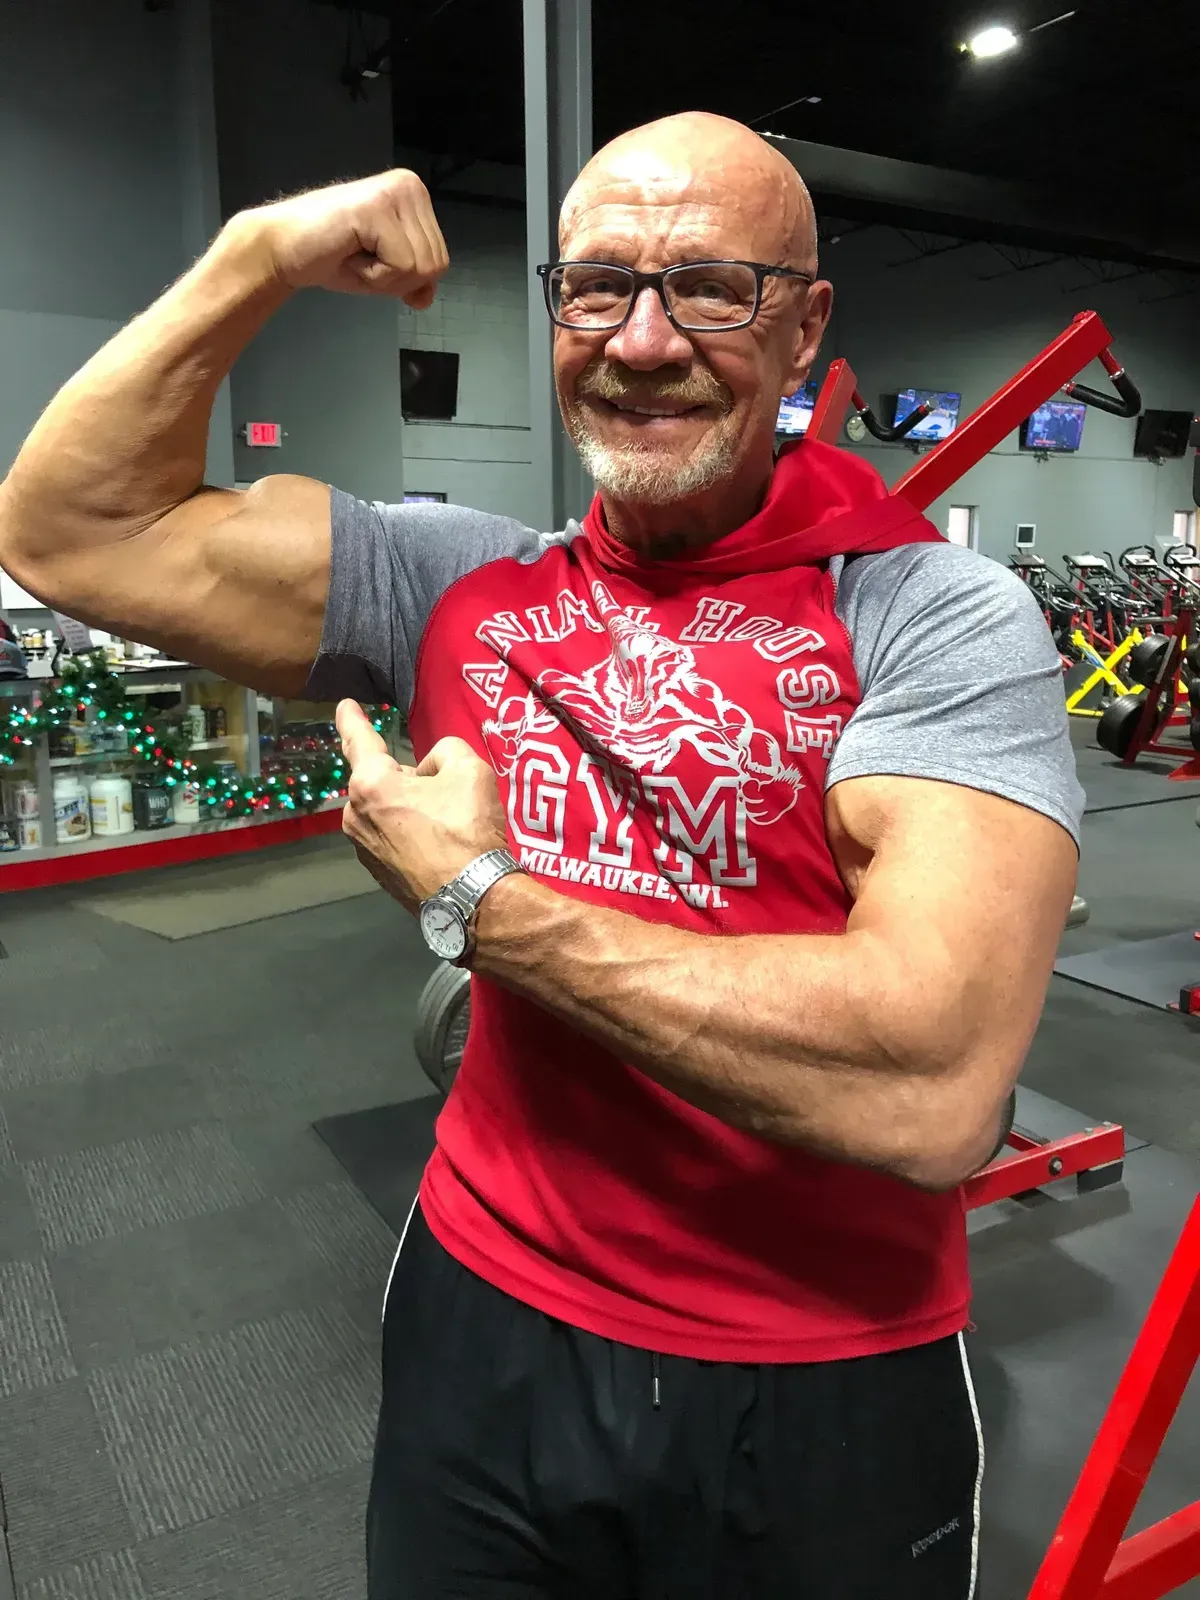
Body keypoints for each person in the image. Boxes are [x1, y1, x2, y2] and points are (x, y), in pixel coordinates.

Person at [0, 111, 1082, 1598]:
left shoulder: (935, 619)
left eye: (710, 286)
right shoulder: (457, 586)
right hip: (482, 1316)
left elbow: (933, 1084)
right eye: (595, 287)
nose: (642, 342)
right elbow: (70, 532)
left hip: (819, 1368)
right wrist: (252, 258)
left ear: (808, 320)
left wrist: (481, 905)